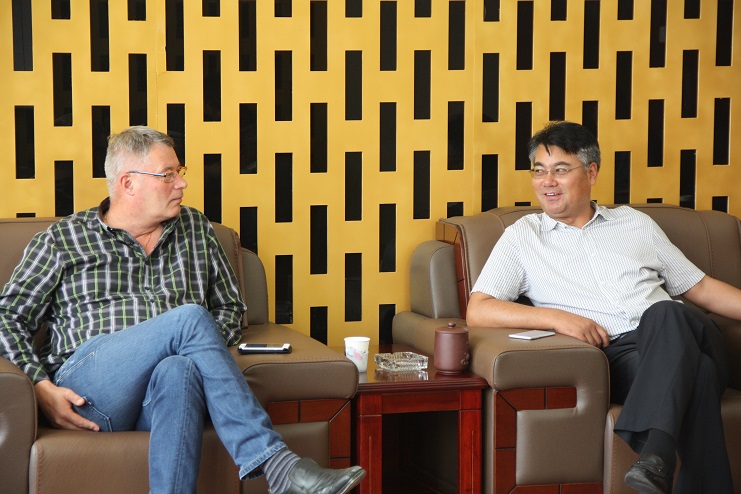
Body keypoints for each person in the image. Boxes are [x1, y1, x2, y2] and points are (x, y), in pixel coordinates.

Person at [0, 126, 365, 494]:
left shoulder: (194, 229)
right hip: (89, 392)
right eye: (168, 175)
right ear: (128, 183)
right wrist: (40, 386)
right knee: (189, 318)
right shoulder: (63, 240)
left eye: (180, 172)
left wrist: (196, 347)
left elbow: (229, 307)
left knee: (179, 369)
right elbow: (8, 318)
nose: (182, 184)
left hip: (157, 394)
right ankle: (280, 468)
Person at [466, 121, 736, 493]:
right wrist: (557, 318)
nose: (547, 182)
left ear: (591, 173)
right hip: (620, 357)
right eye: (539, 171)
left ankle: (656, 452)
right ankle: (656, 460)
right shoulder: (523, 237)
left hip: (684, 331)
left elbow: (700, 287)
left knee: (665, 313)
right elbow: (478, 309)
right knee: (699, 374)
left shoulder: (635, 223)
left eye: (560, 170)